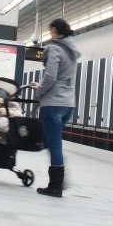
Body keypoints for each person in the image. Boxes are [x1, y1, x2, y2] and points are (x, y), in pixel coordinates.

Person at [29, 19, 80, 198]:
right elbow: (63, 78)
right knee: (51, 142)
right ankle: (59, 180)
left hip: (53, 104)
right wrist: (41, 87)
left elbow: (50, 76)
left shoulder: (54, 48)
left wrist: (40, 91)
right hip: (68, 104)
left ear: (53, 30)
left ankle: (56, 185)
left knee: (54, 144)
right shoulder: (72, 50)